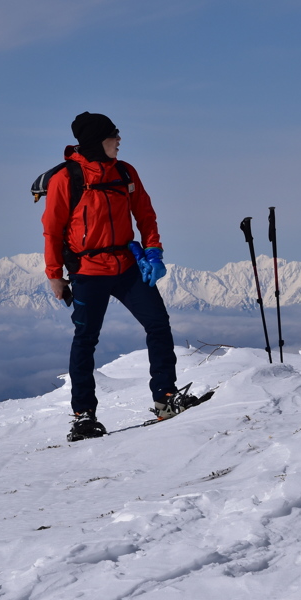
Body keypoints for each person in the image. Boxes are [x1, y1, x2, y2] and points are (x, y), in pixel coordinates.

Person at [42, 112, 195, 441]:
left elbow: (145, 212)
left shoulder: (125, 172)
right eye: (114, 136)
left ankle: (166, 398)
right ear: (99, 140)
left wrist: (153, 250)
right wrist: (55, 274)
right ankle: (84, 416)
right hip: (87, 271)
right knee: (85, 341)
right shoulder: (66, 178)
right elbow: (52, 230)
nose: (119, 140)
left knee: (157, 324)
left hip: (127, 267)